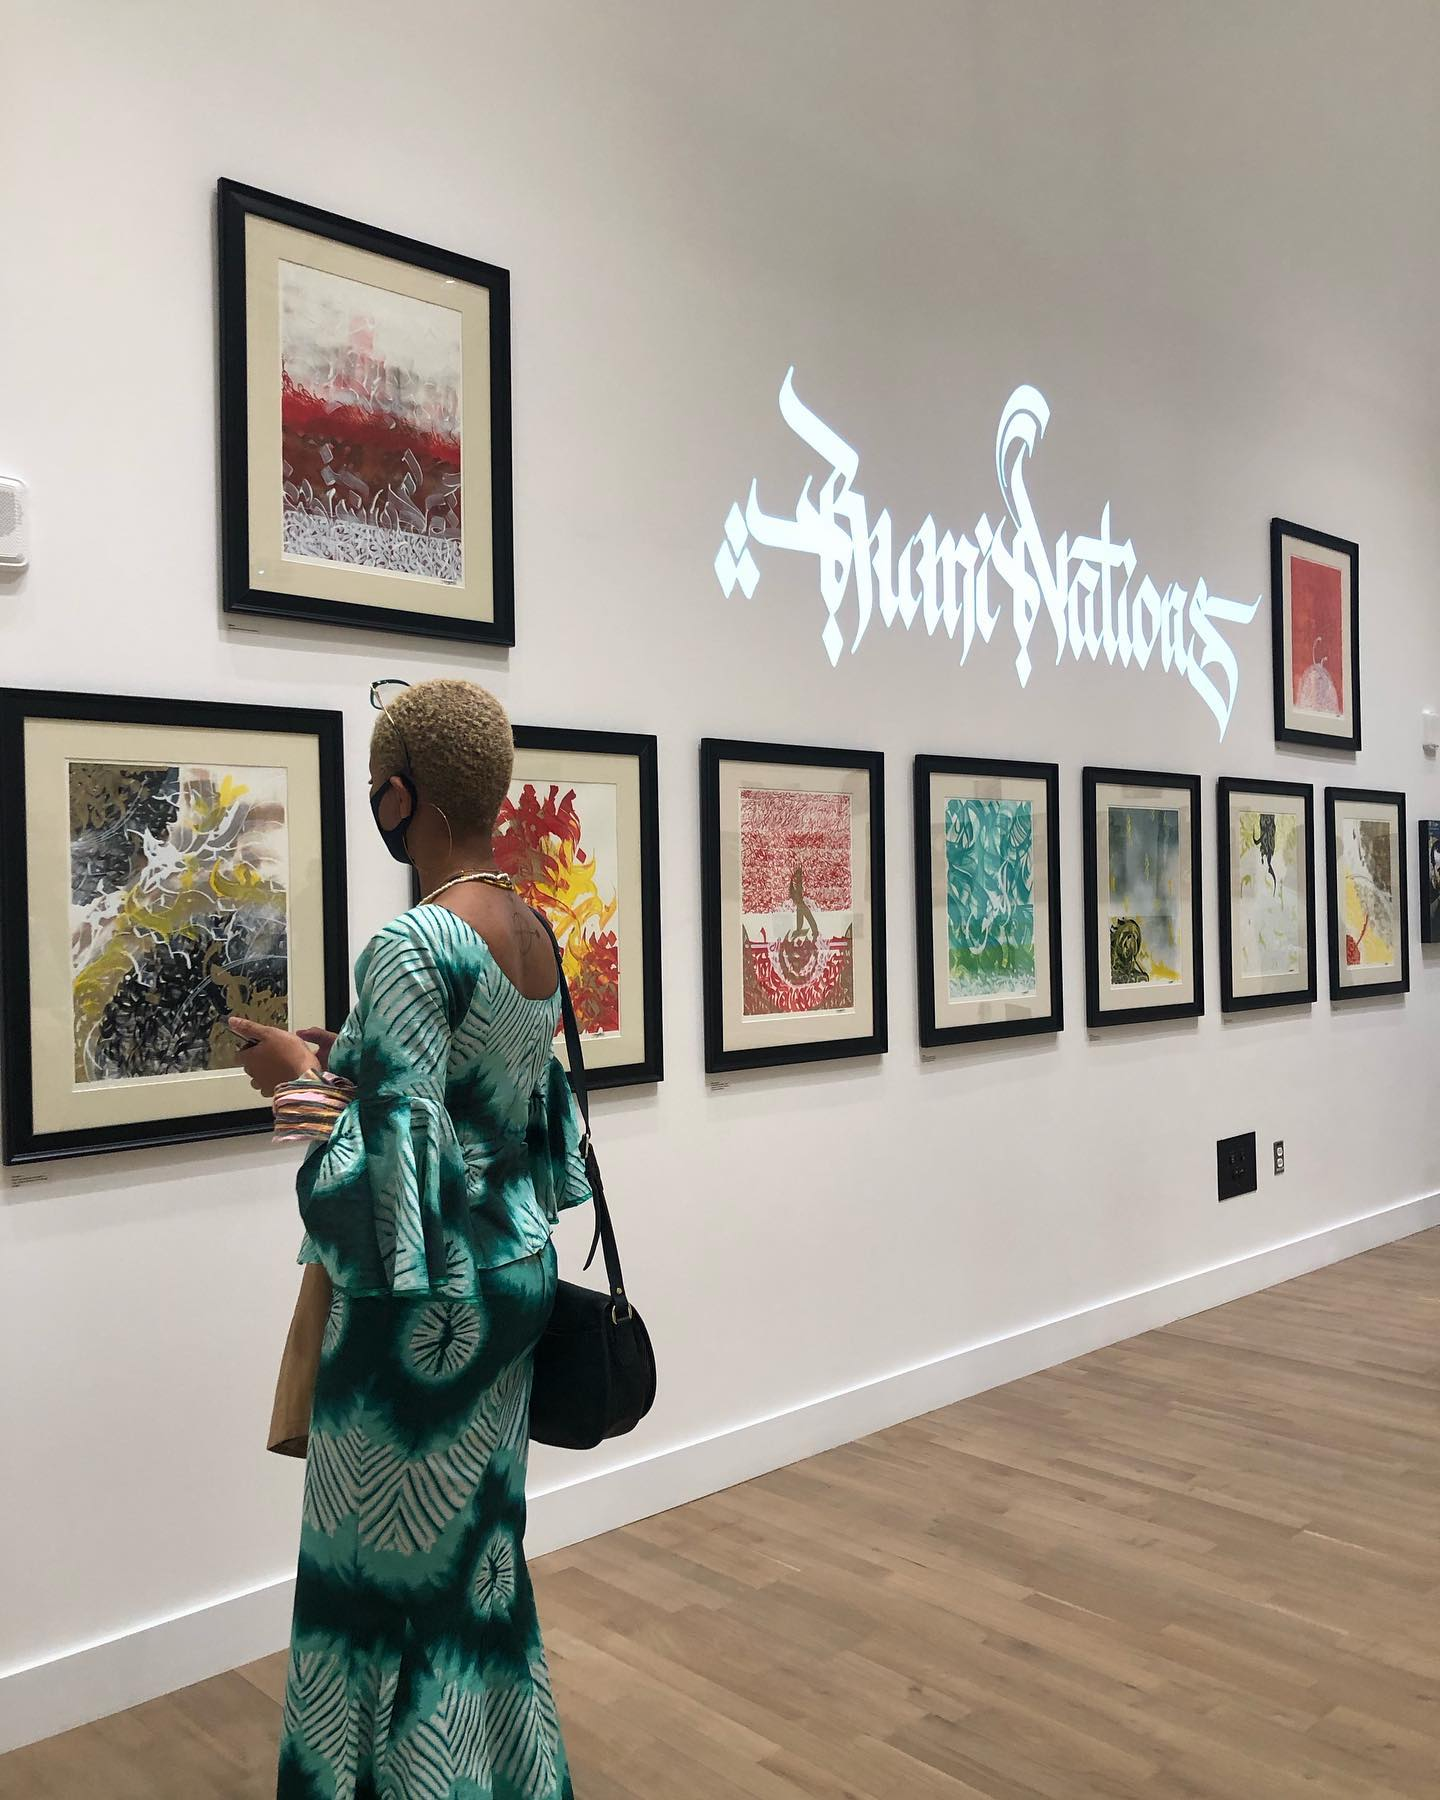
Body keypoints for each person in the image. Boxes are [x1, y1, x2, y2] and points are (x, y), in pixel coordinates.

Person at [232, 677, 589, 1800]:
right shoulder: (530, 930)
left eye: (378, 789)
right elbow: (516, 1124)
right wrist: (358, 1061)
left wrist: (293, 1081)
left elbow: (385, 1187)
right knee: (474, 1569)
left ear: (406, 797)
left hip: (420, 1319)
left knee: (371, 1582)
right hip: (512, 1287)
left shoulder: (413, 943)